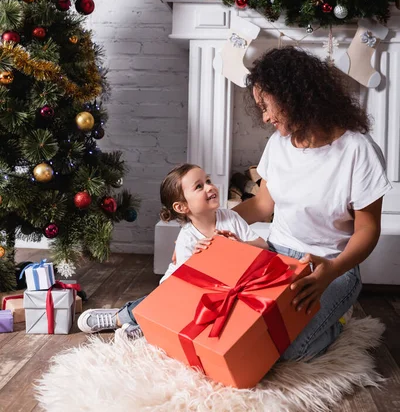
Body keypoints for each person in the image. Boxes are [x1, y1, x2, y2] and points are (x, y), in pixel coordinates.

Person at [232, 45, 391, 361]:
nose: (264, 117)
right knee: (233, 324)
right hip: (275, 254)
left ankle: (335, 322)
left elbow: (368, 229)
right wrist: (220, 222)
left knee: (284, 351)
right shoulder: (279, 144)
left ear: (293, 95)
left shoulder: (358, 150)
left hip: (329, 265)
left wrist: (331, 270)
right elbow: (263, 204)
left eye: (266, 105)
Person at [77, 163, 268, 339]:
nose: (210, 187)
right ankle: (122, 317)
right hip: (178, 289)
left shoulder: (231, 218)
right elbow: (183, 286)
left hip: (219, 292)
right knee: (165, 305)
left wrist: (240, 244)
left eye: (208, 181)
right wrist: (197, 258)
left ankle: (142, 329)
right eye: (199, 186)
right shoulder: (188, 238)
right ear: (182, 206)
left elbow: (264, 247)